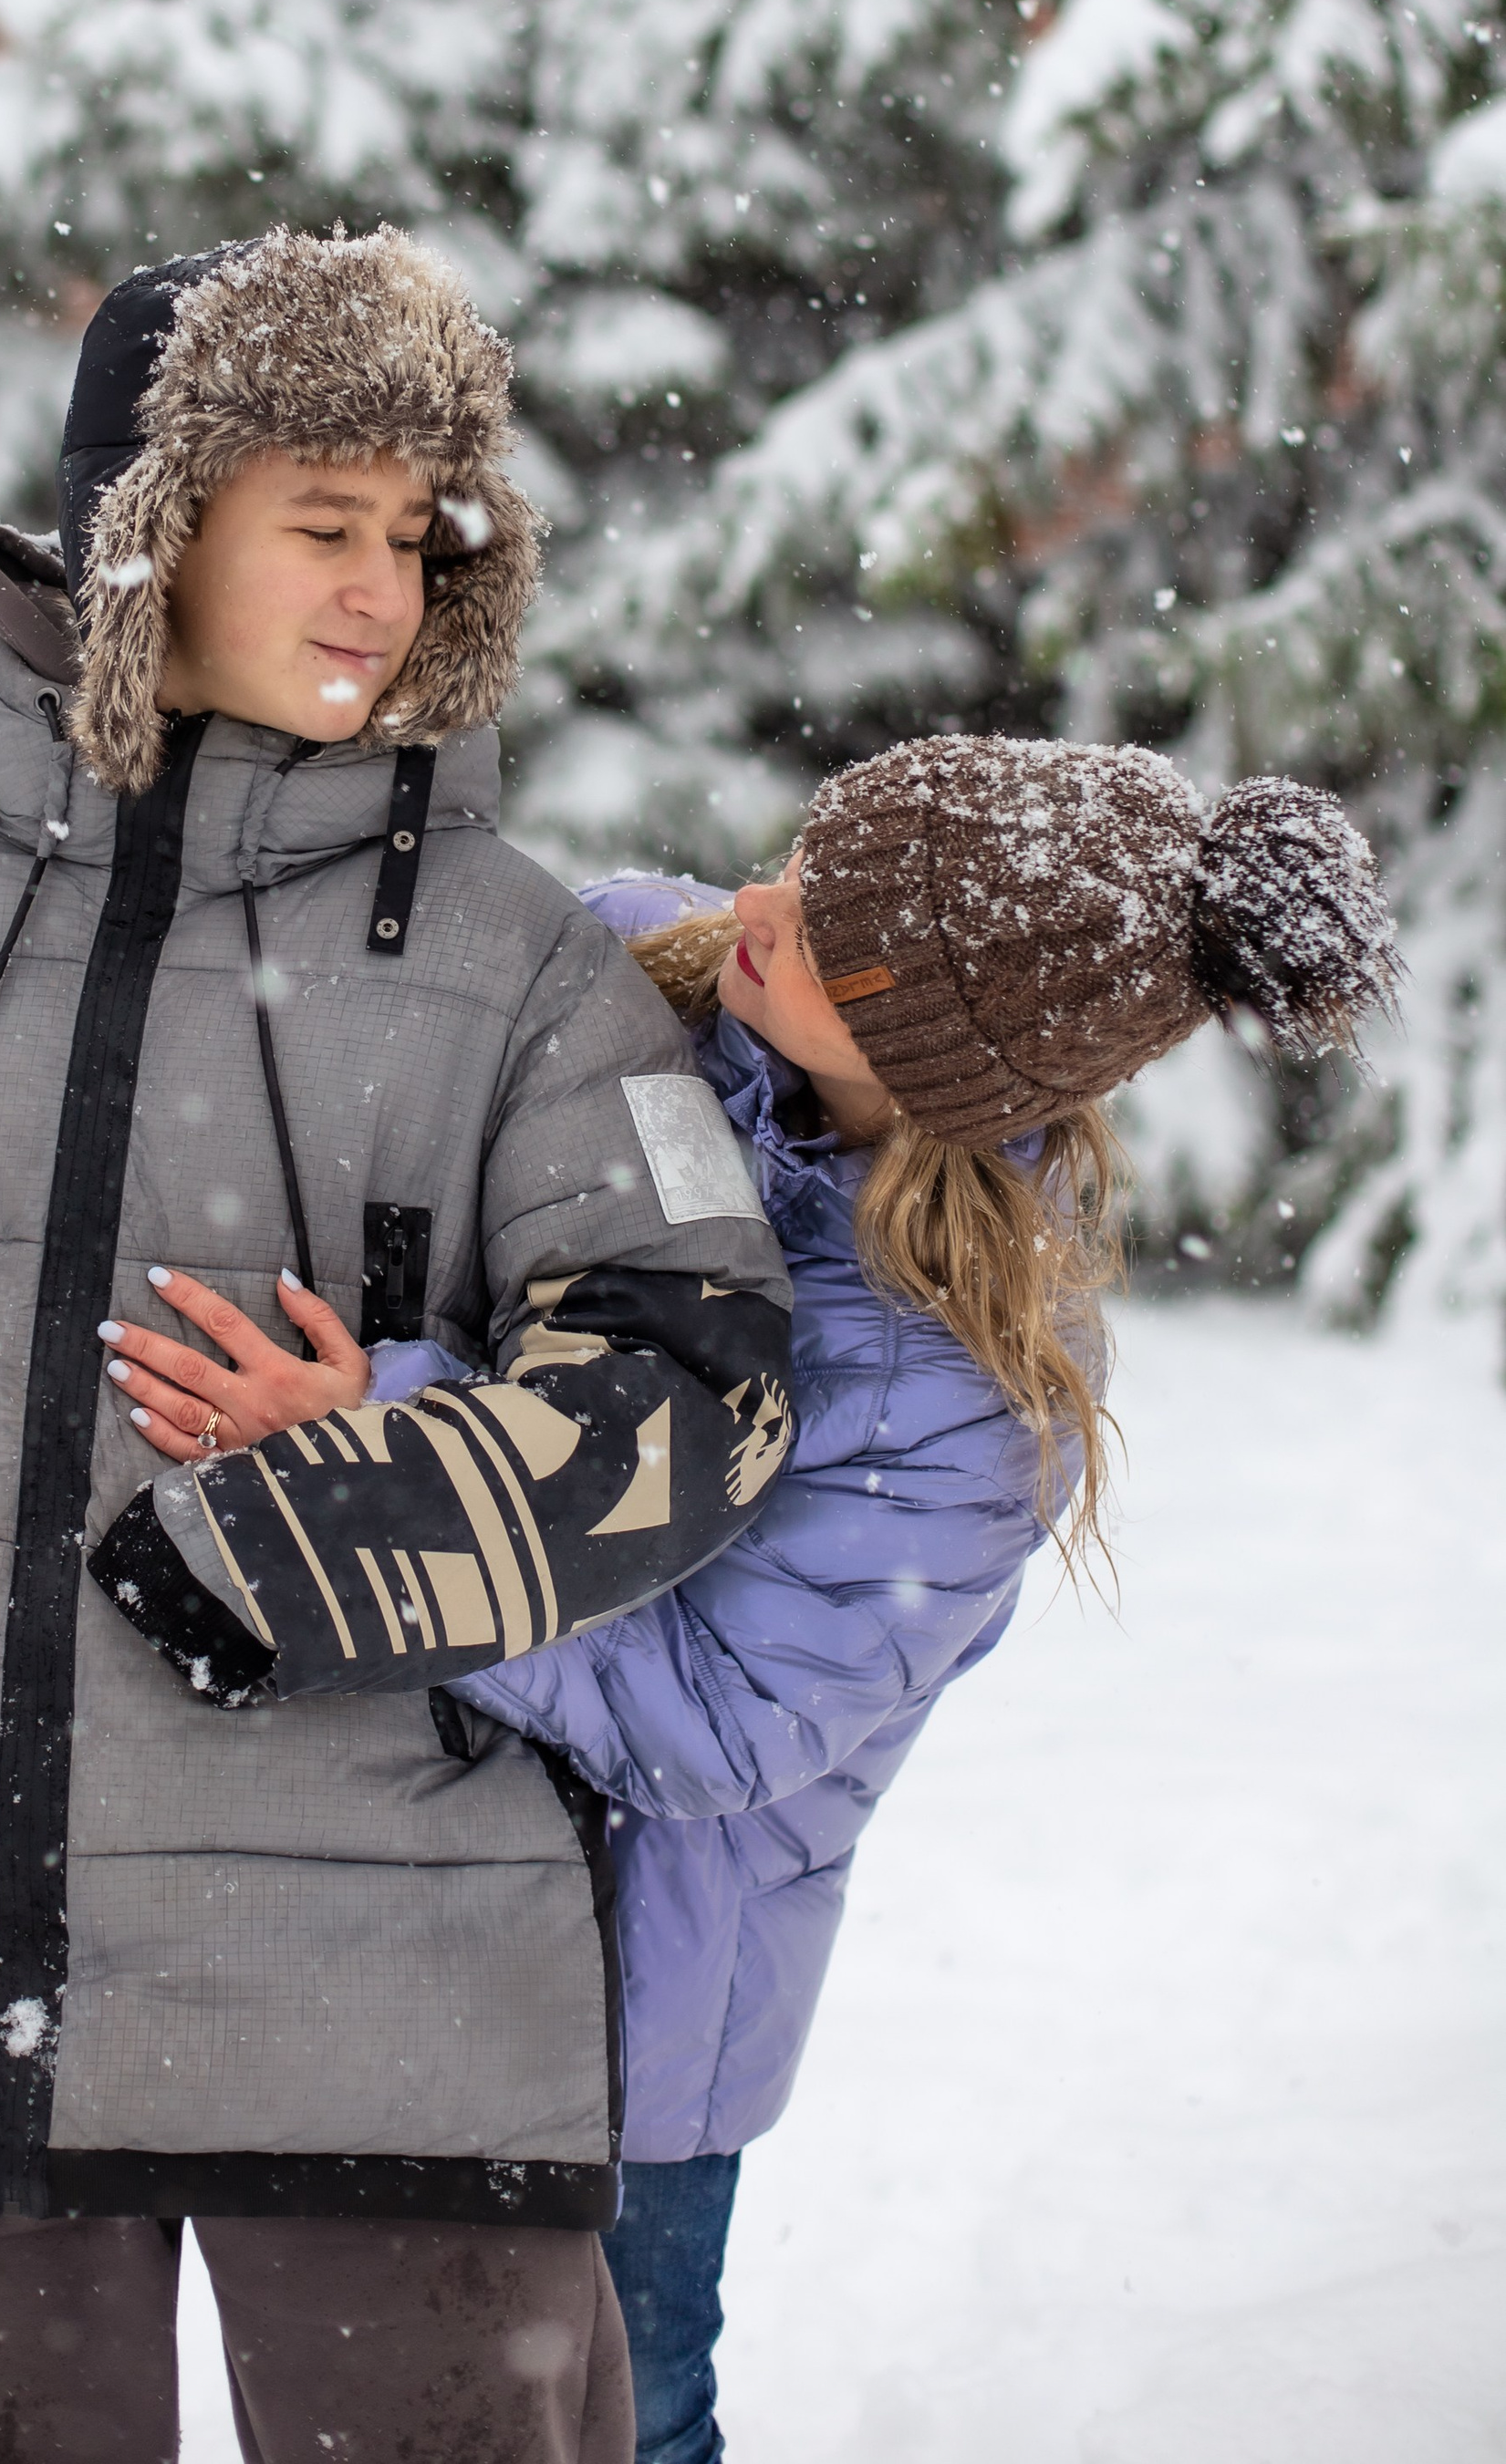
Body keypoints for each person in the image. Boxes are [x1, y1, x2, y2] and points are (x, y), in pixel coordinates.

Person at [0, 224, 799, 2464]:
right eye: (318, 528)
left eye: (413, 536)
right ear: (146, 540)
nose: (379, 587)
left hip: (390, 1990)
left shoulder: (516, 960)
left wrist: (295, 1544)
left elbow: (693, 1382)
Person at [107, 733, 1397, 2464]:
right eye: (806, 855)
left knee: (620, 2424)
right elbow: (257, 1119)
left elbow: (718, 1724)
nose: (764, 906)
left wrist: (396, 1446)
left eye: (839, 933)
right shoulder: (652, 976)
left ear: (939, 1060)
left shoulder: (955, 1393)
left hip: (636, 2021)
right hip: (390, 1883)